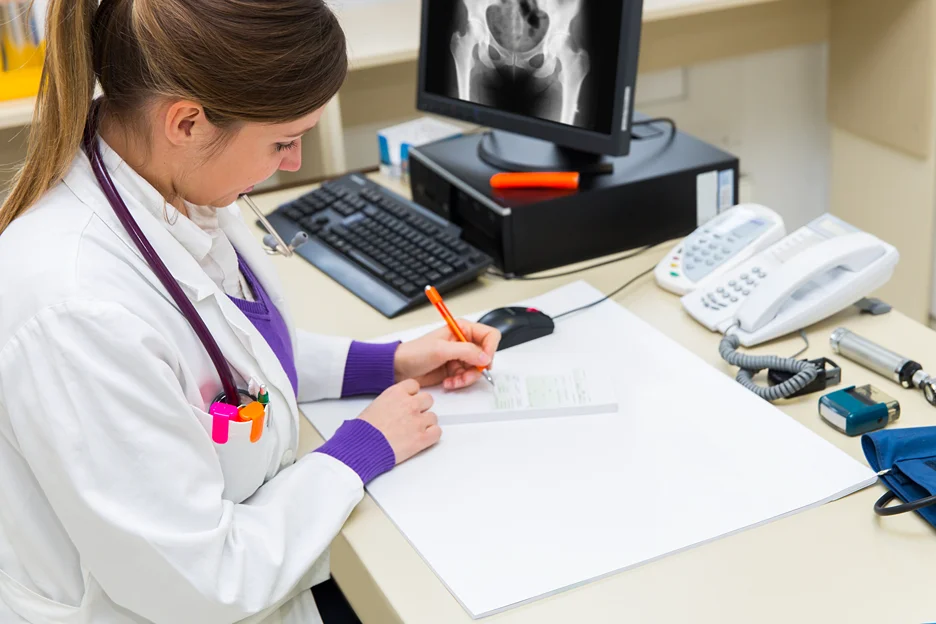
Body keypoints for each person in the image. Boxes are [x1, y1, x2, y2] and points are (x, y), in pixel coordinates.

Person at [0, 1, 500, 622]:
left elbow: (226, 360)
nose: (292, 164)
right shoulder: (77, 312)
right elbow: (201, 581)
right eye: (283, 142)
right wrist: (360, 449)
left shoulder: (166, 180)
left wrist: (388, 362)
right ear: (186, 122)